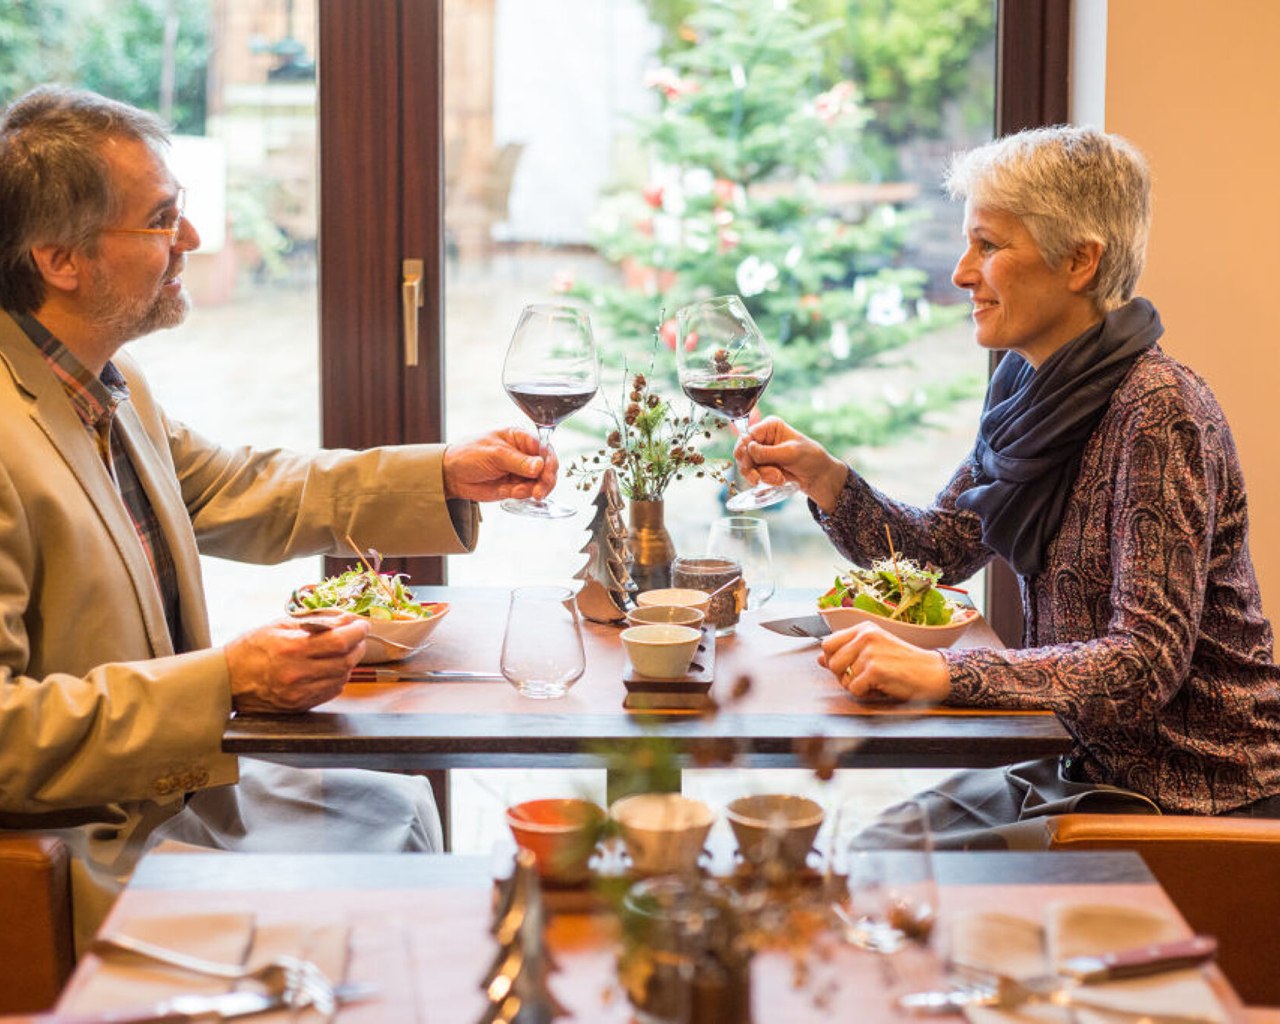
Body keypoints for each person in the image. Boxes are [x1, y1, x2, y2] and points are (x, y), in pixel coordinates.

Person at [0, 85, 559, 944]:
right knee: (387, 904)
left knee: (398, 803)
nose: (189, 240)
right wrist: (228, 681)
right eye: (160, 220)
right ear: (59, 259)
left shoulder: (107, 383)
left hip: (183, 796)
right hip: (89, 847)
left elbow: (246, 486)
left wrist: (446, 473)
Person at [736, 125, 1280, 845]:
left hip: (1188, 801)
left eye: (989, 246)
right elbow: (942, 549)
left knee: (888, 863)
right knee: (877, 845)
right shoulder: (1031, 389)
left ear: (1081, 261)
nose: (963, 273)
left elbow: (1144, 664)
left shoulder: (1159, 410)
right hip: (1085, 766)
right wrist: (827, 479)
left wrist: (946, 677)